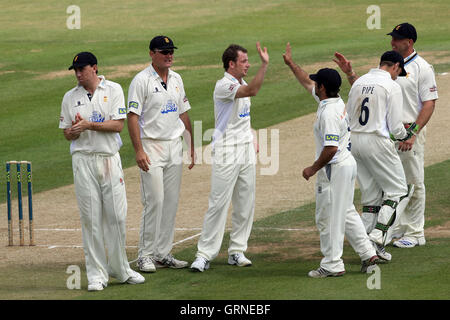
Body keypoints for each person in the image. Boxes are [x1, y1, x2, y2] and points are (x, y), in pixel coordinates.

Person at [333, 23, 438, 249]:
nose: (392, 42)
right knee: (390, 186)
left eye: (397, 39)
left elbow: (429, 104)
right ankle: (393, 228)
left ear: (408, 42)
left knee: (412, 182)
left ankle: (415, 232)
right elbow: (369, 93)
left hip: (409, 133)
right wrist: (350, 73)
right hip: (385, 136)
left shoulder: (422, 68)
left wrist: (412, 134)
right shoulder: (388, 67)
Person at [281, 43, 379, 278]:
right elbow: (306, 81)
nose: (314, 85)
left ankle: (333, 264)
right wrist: (291, 64)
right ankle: (368, 253)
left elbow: (331, 148)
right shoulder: (334, 101)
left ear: (323, 87)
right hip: (347, 165)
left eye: (317, 83)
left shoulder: (327, 113)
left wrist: (312, 168)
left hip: (334, 168)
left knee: (327, 218)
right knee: (345, 212)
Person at [59, 51, 145, 291]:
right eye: (75, 70)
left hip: (108, 159)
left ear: (94, 68)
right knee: (91, 218)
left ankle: (121, 269)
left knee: (117, 215)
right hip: (83, 160)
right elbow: (66, 132)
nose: (78, 74)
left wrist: (89, 125)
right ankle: (97, 275)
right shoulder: (69, 96)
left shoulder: (114, 90)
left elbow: (118, 125)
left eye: (82, 69)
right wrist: (74, 131)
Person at [190, 42, 268, 272]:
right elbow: (252, 91)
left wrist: (251, 135)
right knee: (218, 203)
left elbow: (242, 117)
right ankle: (204, 254)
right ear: (231, 64)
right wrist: (265, 65)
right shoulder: (223, 85)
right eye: (244, 61)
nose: (248, 64)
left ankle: (237, 251)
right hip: (226, 150)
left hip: (245, 149)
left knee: (245, 202)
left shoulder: (241, 82)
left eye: (248, 61)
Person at [127, 36, 195, 273]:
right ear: (151, 54)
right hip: (151, 146)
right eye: (164, 51)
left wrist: (191, 147)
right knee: (154, 200)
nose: (169, 55)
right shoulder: (141, 80)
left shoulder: (177, 78)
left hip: (174, 145)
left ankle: (163, 253)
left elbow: (183, 113)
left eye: (171, 51)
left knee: (170, 201)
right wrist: (138, 150)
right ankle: (145, 255)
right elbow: (132, 117)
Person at [345, 50, 416, 261]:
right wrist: (406, 133)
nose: (397, 75)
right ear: (395, 66)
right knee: (399, 191)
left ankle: (366, 246)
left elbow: (348, 116)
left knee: (371, 197)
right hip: (377, 141)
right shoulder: (391, 86)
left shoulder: (359, 83)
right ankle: (378, 236)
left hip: (354, 141)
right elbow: (395, 127)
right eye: (398, 71)